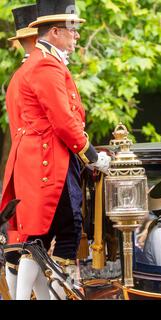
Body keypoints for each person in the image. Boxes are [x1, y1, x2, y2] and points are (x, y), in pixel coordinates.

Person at [0, 0, 110, 300]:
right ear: (57, 32)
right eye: (72, 30)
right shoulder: (47, 64)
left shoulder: (39, 65)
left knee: (37, 237)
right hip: (50, 161)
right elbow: (63, 120)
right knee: (65, 231)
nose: (76, 36)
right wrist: (93, 156)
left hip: (40, 158)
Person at [2, 4, 39, 301]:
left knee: (23, 241)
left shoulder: (16, 77)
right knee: (33, 242)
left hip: (20, 164)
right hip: (37, 167)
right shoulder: (34, 73)